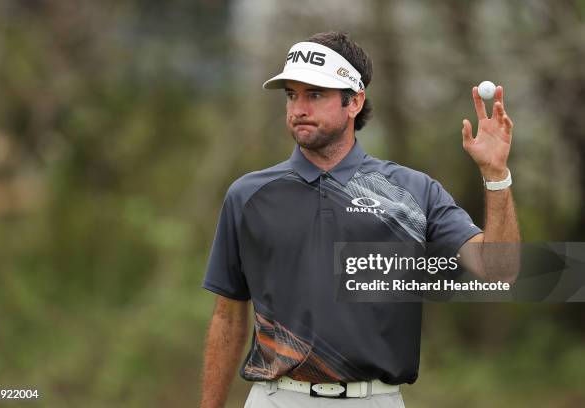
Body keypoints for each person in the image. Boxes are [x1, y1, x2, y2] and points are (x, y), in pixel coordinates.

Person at [200, 31, 520, 407]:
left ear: (354, 102)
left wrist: (496, 175)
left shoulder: (414, 192)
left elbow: (499, 270)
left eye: (315, 95)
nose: (298, 108)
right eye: (292, 95)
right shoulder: (248, 195)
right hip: (275, 398)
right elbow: (228, 319)